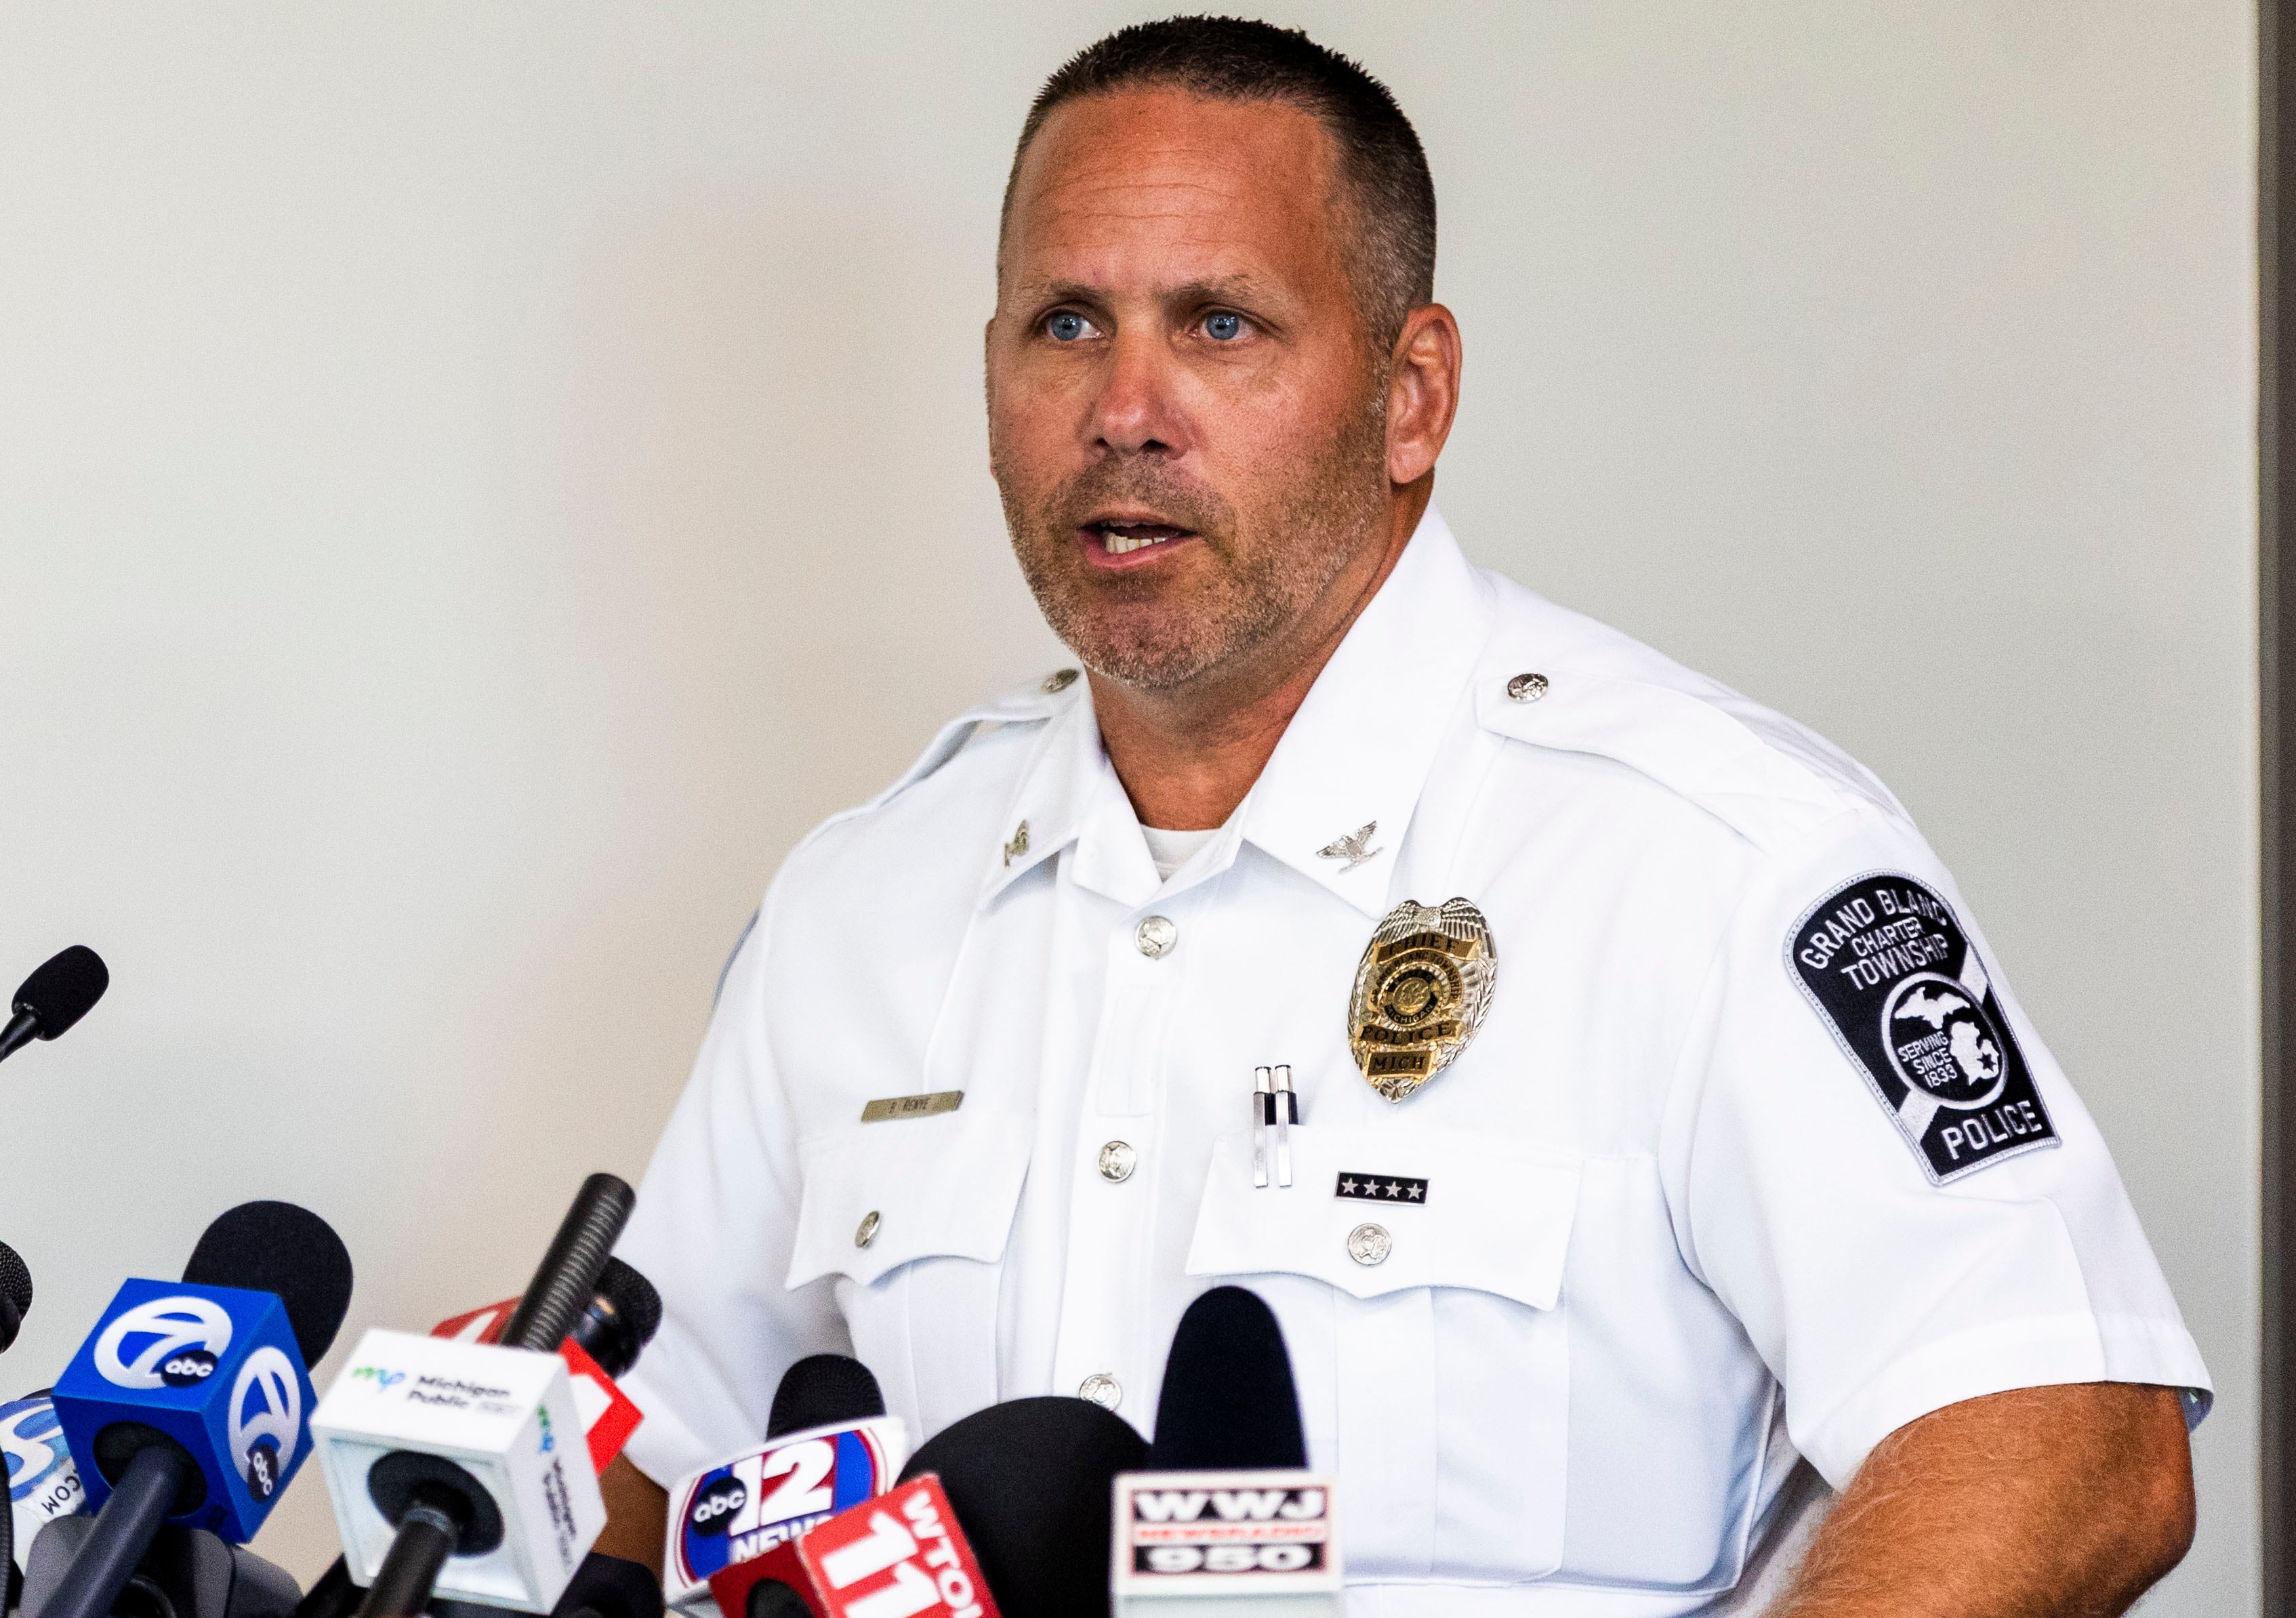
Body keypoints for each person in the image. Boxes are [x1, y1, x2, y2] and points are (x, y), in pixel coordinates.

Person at [599, 18, 2207, 1615]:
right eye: (1065, 324)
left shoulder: (1705, 857)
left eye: (1220, 325)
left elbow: (2063, 1434)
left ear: (1411, 394)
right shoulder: (862, 903)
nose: (1124, 409)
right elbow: (652, 1468)